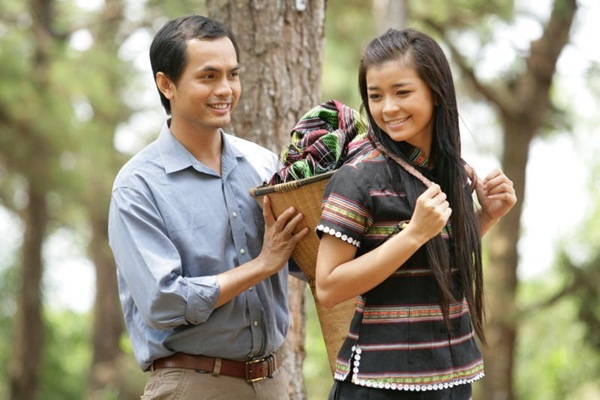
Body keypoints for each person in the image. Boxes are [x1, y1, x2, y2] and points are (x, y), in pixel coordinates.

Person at [108, 14, 308, 400]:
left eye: (233, 75)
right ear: (166, 84)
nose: (226, 89)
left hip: (273, 384)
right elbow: (164, 302)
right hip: (193, 386)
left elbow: (303, 254)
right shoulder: (138, 186)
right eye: (209, 76)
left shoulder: (263, 165)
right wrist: (263, 265)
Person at [315, 28, 517, 400]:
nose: (388, 108)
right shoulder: (359, 176)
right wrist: (413, 234)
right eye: (376, 96)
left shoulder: (454, 172)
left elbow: (438, 260)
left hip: (451, 378)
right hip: (377, 385)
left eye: (402, 92)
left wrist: (486, 217)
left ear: (436, 92)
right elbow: (328, 287)